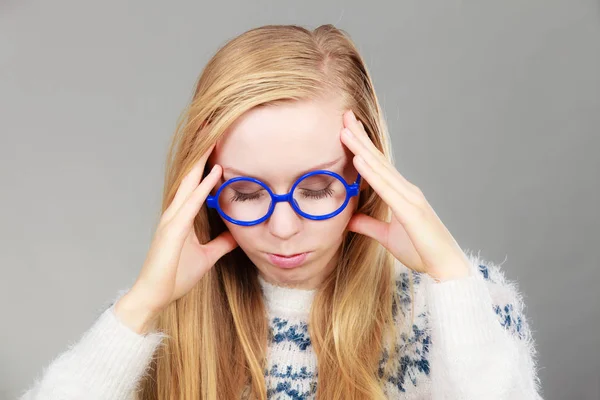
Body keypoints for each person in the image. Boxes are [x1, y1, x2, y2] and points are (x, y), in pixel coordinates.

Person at [19, 24, 543, 400]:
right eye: (246, 193)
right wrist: (139, 309)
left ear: (366, 177)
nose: (284, 228)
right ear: (203, 192)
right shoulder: (148, 327)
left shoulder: (463, 305)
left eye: (317, 188)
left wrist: (451, 279)